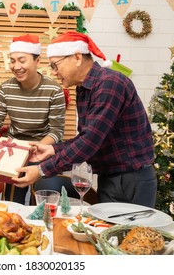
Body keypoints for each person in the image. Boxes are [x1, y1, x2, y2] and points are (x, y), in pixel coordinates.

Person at [13, 31, 157, 208]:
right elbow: (86, 137)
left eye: (55, 65)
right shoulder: (84, 89)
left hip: (131, 180)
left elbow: (89, 142)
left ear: (77, 57)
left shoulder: (109, 83)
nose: (54, 72)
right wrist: (52, 149)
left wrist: (42, 170)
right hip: (109, 177)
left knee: (135, 235)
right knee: (107, 234)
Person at [0, 34, 66, 204]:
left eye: (22, 60)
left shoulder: (53, 90)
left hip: (42, 152)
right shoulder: (6, 88)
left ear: (37, 60)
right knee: (12, 202)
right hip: (14, 154)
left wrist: (35, 148)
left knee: (38, 203)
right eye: (12, 61)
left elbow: (56, 132)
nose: (16, 66)